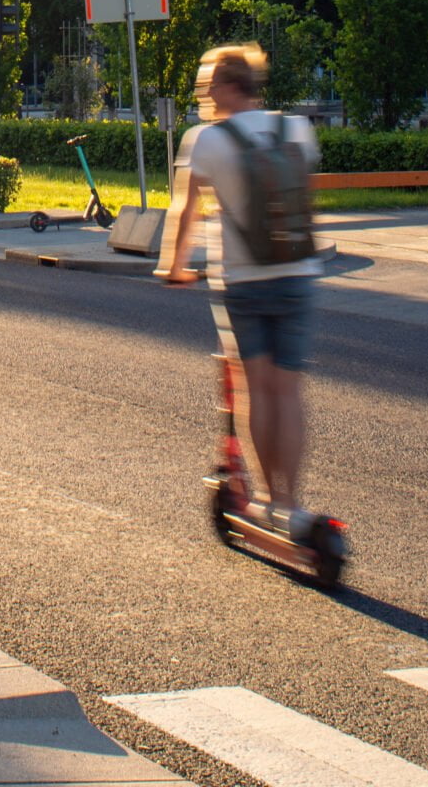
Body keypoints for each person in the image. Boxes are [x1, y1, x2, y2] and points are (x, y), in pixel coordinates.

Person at [159, 43, 322, 533]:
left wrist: (176, 266)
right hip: (297, 274)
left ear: (229, 87)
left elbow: (185, 211)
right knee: (288, 392)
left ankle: (269, 498)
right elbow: (305, 201)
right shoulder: (295, 128)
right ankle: (289, 504)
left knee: (256, 392)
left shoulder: (206, 140)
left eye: (209, 85)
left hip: (245, 281)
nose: (206, 95)